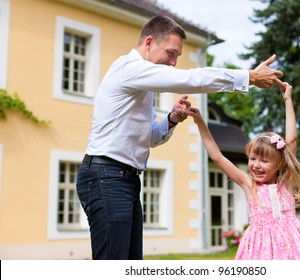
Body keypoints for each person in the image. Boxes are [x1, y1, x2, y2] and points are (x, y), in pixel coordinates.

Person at [76, 14, 284, 260]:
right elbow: (190, 79)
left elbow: (151, 137)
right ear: (149, 42)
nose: (174, 62)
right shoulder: (129, 69)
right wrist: (248, 77)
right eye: (171, 53)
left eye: (178, 56)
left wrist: (171, 119)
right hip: (106, 176)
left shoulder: (141, 86)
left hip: (124, 179)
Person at [189, 82, 300, 260]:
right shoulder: (249, 183)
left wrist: (288, 99)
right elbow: (218, 157)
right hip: (260, 252)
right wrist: (200, 123)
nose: (256, 165)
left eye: (264, 160)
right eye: (253, 159)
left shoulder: (286, 183)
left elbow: (291, 140)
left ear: (280, 163)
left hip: (293, 250)